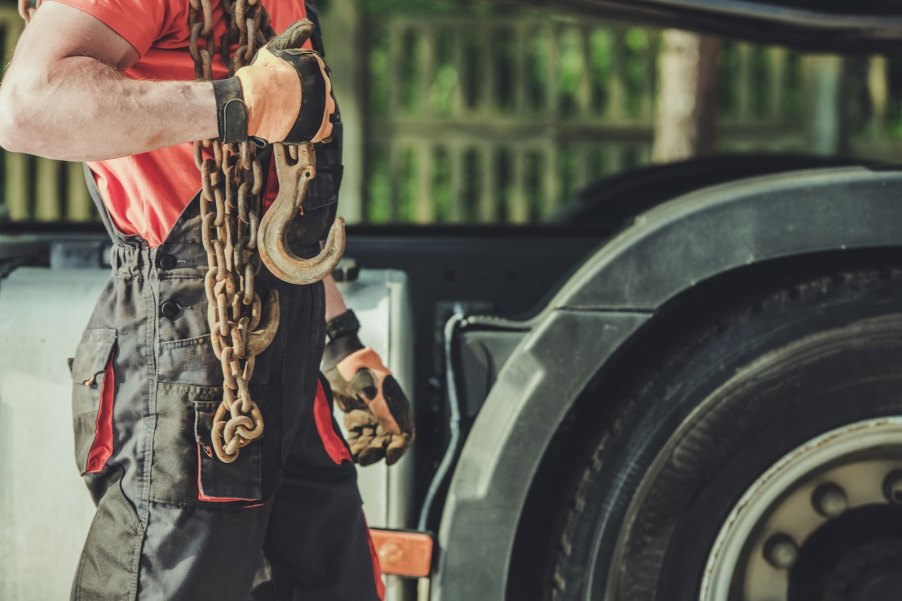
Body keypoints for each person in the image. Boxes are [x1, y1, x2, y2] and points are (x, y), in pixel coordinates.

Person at [0, 1, 415, 600]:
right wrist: (236, 103)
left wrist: (340, 342)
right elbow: (29, 104)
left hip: (288, 353)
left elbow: (271, 205)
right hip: (186, 355)